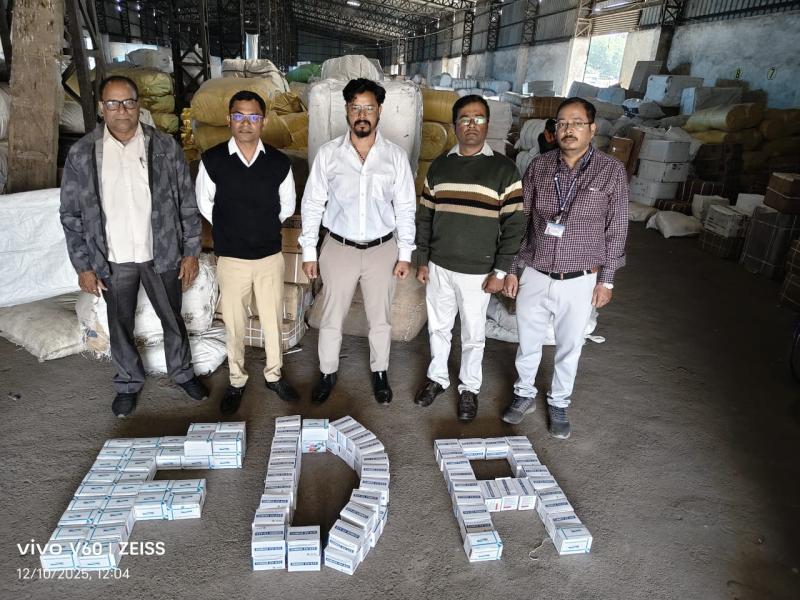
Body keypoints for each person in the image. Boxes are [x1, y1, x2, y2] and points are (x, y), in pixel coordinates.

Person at [60, 75, 207, 418]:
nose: (121, 110)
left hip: (162, 253)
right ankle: (127, 383)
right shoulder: (83, 154)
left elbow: (187, 202)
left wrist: (190, 251)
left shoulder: (164, 147)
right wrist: (83, 265)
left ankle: (183, 374)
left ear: (138, 105)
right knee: (120, 323)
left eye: (128, 102)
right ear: (102, 108)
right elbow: (70, 213)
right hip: (113, 258)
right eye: (113, 103)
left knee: (172, 318)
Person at [501, 97, 629, 438]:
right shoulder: (539, 167)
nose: (568, 129)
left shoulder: (610, 171)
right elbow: (521, 221)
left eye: (576, 123)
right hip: (536, 271)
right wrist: (512, 268)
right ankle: (523, 393)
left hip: (581, 278)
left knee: (570, 346)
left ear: (592, 129)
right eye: (562, 123)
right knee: (528, 340)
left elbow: (617, 229)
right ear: (554, 130)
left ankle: (558, 402)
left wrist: (607, 280)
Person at [299, 78, 416, 405]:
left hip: (383, 250)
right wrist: (309, 251)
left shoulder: (395, 157)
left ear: (380, 111)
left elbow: (406, 207)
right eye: (356, 108)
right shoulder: (329, 155)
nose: (362, 114)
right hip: (339, 248)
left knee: (380, 319)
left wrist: (405, 253)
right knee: (331, 317)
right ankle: (327, 372)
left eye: (369, 108)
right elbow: (312, 204)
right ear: (346, 111)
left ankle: (380, 372)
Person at [414, 95, 525, 422]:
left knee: (473, 334)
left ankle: (469, 388)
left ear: (487, 125)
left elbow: (515, 224)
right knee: (438, 328)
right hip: (439, 266)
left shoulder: (504, 170)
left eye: (478, 118)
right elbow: (425, 216)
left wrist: (501, 271)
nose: (471, 124)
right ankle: (437, 378)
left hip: (479, 271)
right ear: (454, 125)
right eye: (464, 118)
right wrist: (423, 259)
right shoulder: (440, 166)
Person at [195, 90, 298, 415]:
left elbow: (287, 206)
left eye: (253, 117)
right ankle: (237, 380)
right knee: (235, 323)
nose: (246, 123)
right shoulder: (213, 161)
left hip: (269, 257)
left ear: (263, 122)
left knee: (271, 320)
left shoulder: (279, 162)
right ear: (229, 119)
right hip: (232, 259)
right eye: (239, 116)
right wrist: (232, 228)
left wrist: (261, 226)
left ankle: (274, 375)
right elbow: (205, 205)